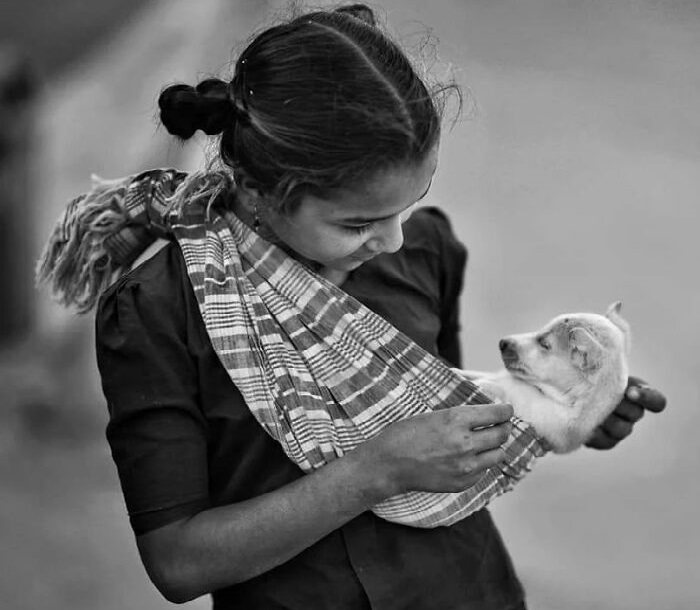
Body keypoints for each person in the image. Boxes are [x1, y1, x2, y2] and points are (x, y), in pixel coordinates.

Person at [37, 4, 666, 609]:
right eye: (358, 222)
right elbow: (178, 562)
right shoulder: (157, 310)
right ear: (259, 190)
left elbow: (439, 411)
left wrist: (568, 409)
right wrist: (374, 472)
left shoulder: (424, 248)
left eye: (408, 204)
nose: (392, 240)